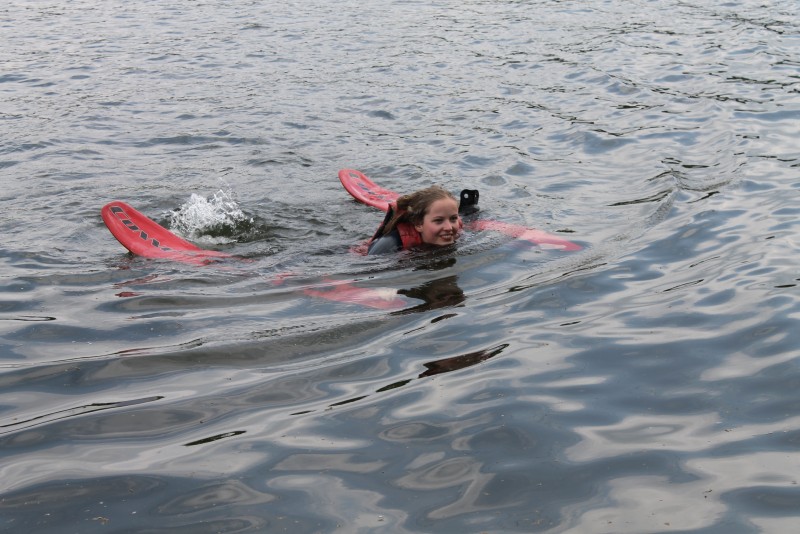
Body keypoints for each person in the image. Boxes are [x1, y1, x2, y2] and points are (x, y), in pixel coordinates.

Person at [367, 185, 464, 255]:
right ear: (419, 224)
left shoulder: (457, 228)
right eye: (438, 220)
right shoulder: (387, 246)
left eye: (453, 219)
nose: (449, 227)